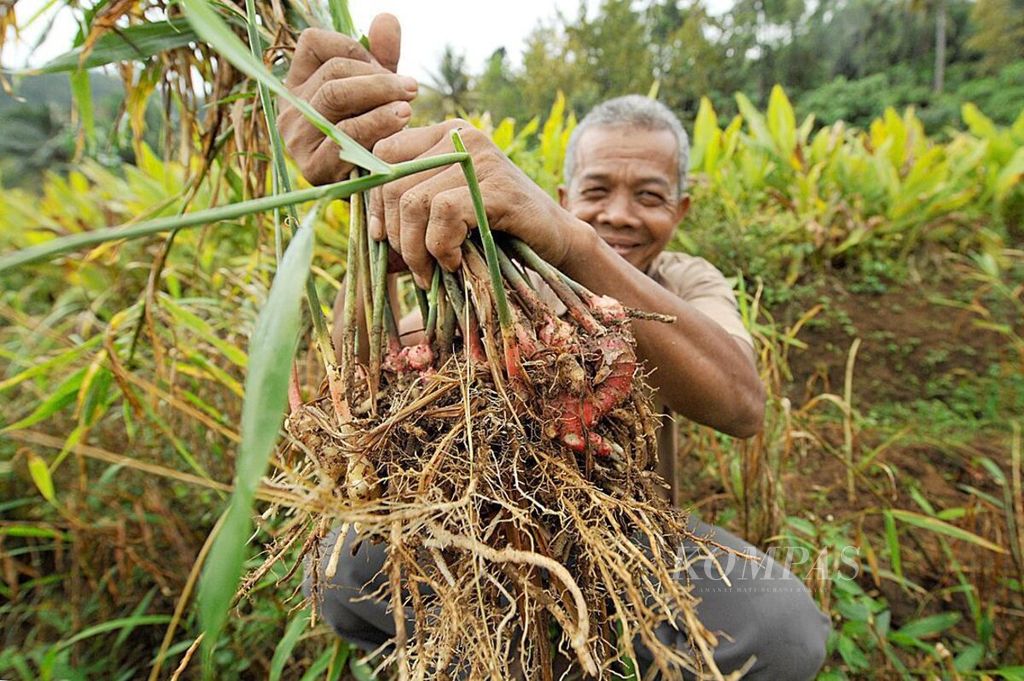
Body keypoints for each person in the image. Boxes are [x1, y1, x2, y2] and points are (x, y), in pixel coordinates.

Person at [279, 15, 830, 679]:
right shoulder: (498, 259)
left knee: (783, 626)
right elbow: (368, 378)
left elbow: (741, 403)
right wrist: (367, 199)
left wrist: (572, 240)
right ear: (565, 193)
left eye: (649, 196)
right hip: (475, 537)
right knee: (340, 566)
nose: (620, 214)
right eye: (597, 193)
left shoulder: (686, 279)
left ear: (681, 211)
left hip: (624, 533)